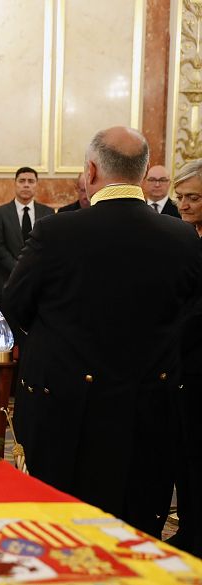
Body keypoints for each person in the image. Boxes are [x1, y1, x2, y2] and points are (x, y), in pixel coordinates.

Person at [2, 126, 202, 538]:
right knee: (136, 527)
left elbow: (14, 305)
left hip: (66, 411)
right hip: (149, 408)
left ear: (91, 171)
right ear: (145, 176)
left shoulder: (56, 232)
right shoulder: (183, 237)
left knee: (63, 529)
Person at [167, 160, 202, 556]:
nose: (184, 204)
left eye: (193, 197)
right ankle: (189, 527)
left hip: (195, 360)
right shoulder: (184, 238)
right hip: (179, 364)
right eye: (181, 197)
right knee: (181, 450)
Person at [0, 166, 53, 299]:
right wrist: (20, 269)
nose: (26, 185)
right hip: (7, 282)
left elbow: (50, 245)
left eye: (31, 181)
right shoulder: (0, 213)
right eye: (22, 181)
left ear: (36, 185)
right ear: (15, 184)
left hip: (39, 282)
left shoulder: (47, 212)